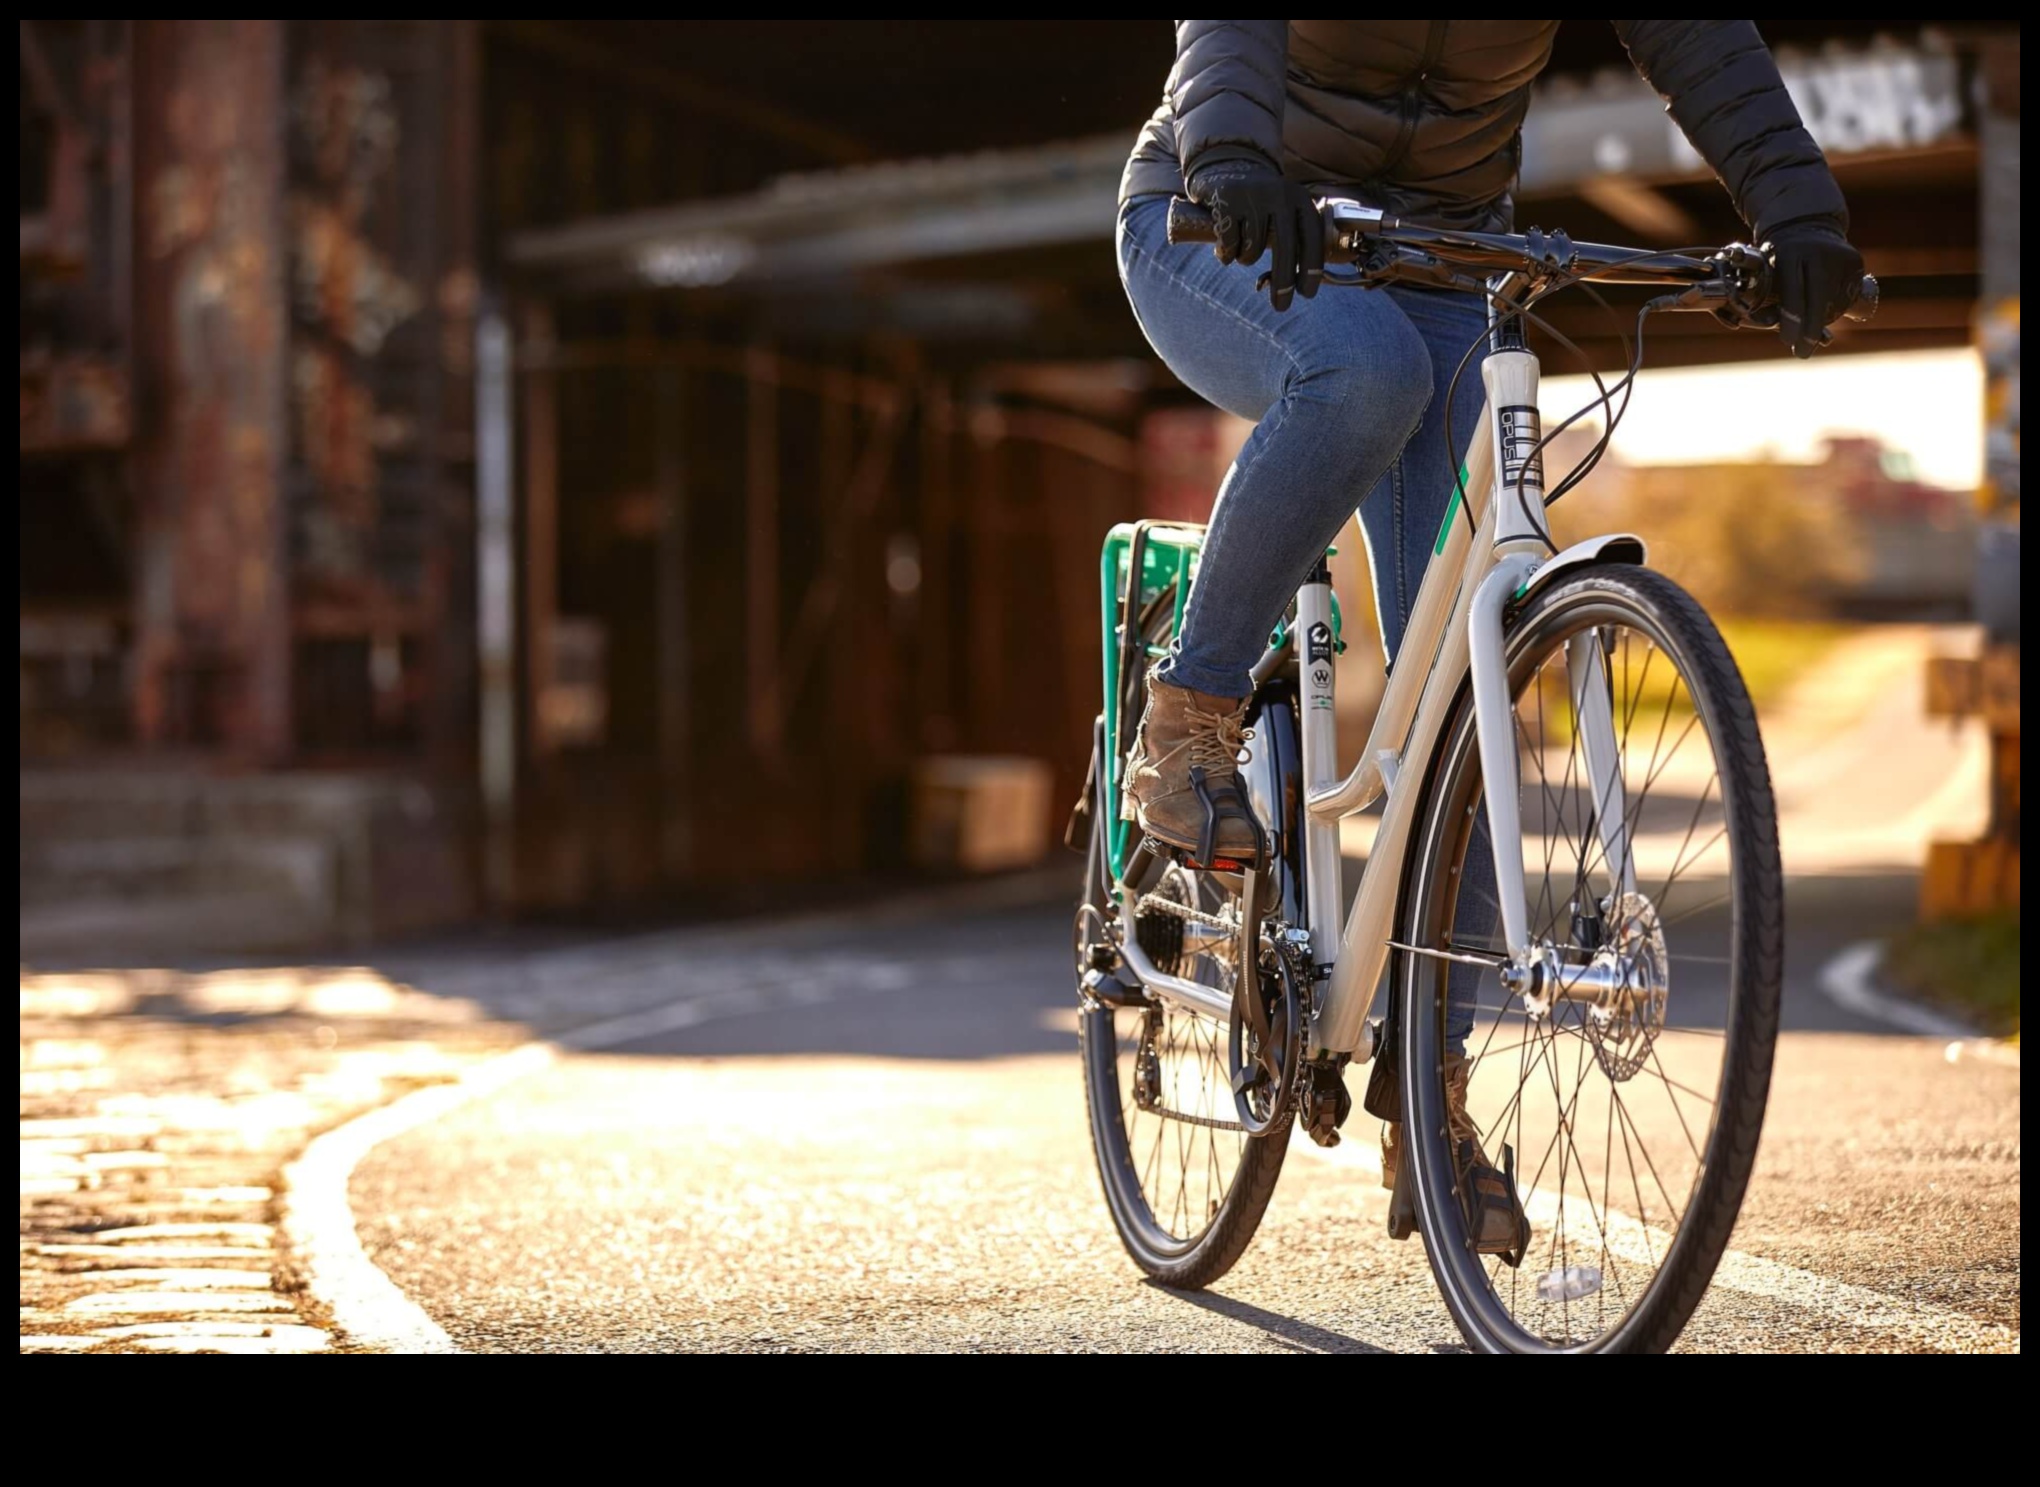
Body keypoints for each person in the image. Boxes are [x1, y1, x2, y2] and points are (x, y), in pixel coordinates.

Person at [1115, 21, 1861, 1214]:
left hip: (1441, 255)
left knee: (1461, 708)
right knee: (1365, 374)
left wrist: (1799, 212)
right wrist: (1235, 156)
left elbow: (1702, 42)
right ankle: (1190, 712)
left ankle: (1430, 1088)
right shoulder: (1223, 176)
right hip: (1220, 216)